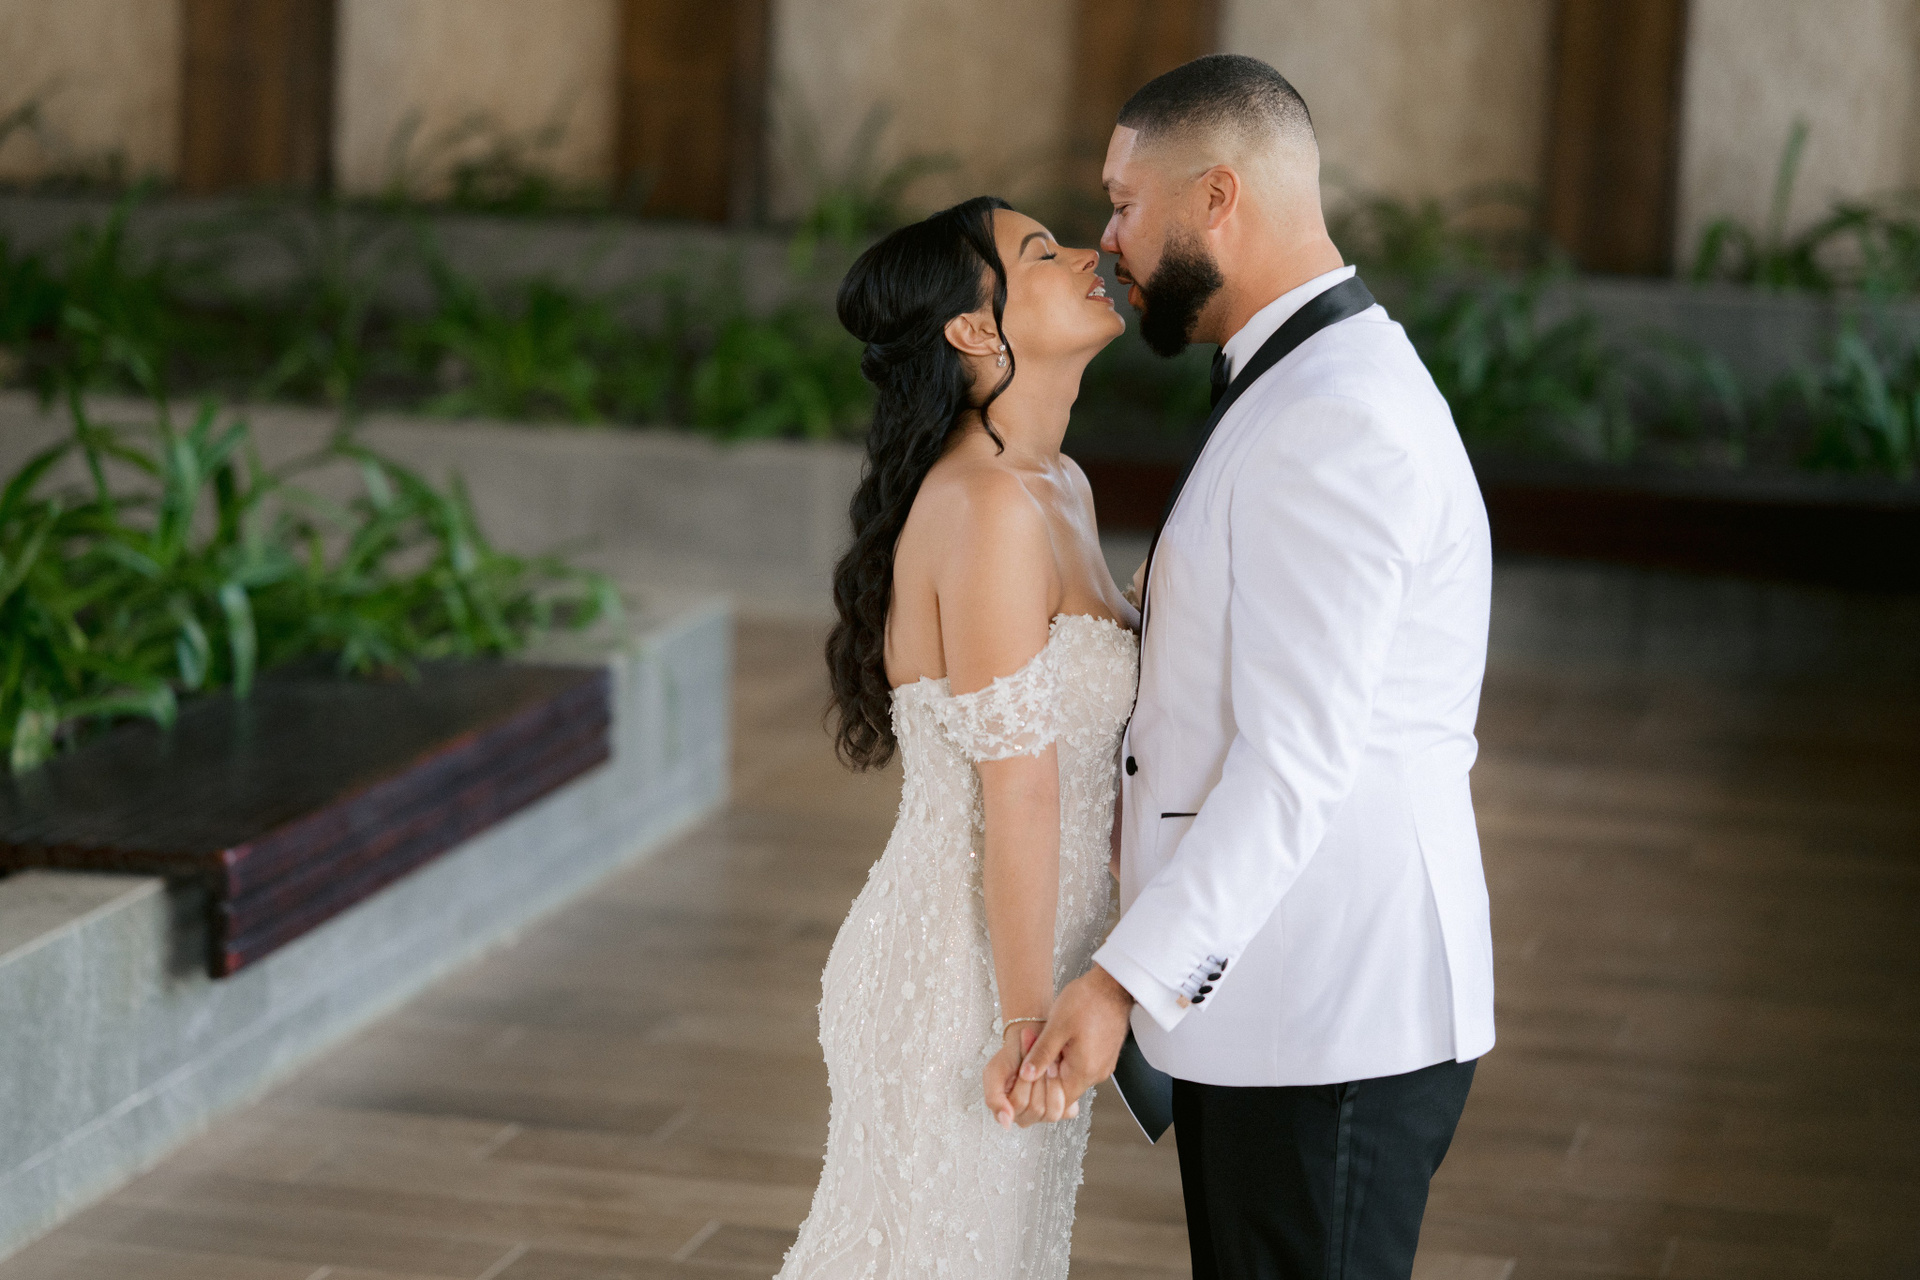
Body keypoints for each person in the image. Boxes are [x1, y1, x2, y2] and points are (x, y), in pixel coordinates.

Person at [1020, 55, 1497, 1280]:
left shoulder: (1336, 416)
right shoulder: (1307, 379)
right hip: (1289, 1000)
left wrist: (1122, 982)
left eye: (1124, 204)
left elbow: (1296, 763)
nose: (1108, 241)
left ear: (1217, 196)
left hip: (1331, 1016)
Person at [775, 195, 1139, 1279]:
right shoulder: (986, 505)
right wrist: (1027, 1022)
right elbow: (1019, 790)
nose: (1090, 254)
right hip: (961, 980)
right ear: (975, 329)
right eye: (1042, 252)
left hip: (1028, 960)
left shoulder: (1059, 483)